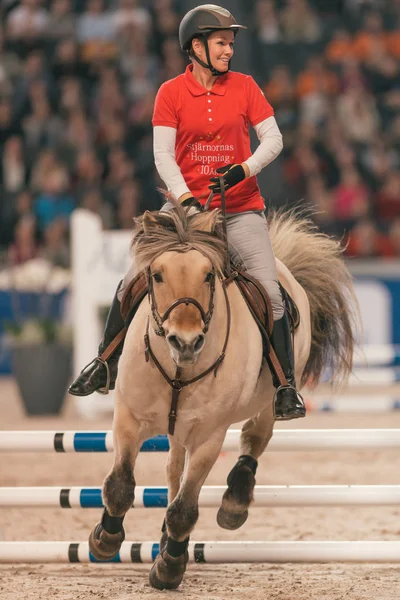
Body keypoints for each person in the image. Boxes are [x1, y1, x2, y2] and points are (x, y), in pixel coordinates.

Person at [69, 4, 305, 421]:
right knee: (132, 279)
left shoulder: (246, 86)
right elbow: (163, 155)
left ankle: (286, 388)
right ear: (196, 46)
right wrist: (187, 201)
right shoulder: (170, 92)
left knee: (269, 290)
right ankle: (104, 364)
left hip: (240, 209)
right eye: (221, 44)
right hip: (184, 211)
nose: (229, 51)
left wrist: (244, 169)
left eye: (230, 44)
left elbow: (274, 138)